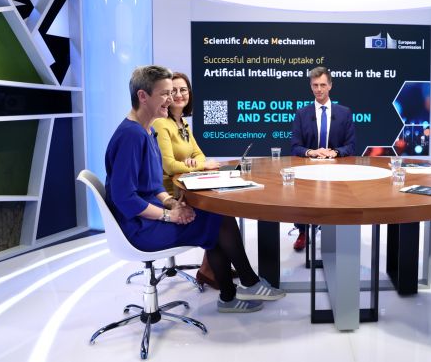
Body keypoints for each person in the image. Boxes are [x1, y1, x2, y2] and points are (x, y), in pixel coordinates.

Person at [105, 65, 284, 313]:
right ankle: (245, 284)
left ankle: (232, 294)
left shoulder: (146, 130)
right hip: (138, 228)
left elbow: (153, 184)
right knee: (219, 219)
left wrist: (171, 203)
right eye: (164, 94)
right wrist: (170, 215)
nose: (171, 99)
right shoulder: (131, 136)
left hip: (151, 214)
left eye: (173, 93)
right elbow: (125, 199)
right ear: (143, 96)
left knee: (216, 217)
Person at [152, 72, 229, 290]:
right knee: (218, 213)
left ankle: (210, 268)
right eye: (173, 90)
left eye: (183, 90)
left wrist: (195, 163)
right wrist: (196, 165)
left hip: (185, 187)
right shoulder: (161, 123)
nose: (178, 94)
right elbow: (169, 166)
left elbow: (200, 155)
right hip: (169, 196)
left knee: (221, 207)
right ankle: (212, 271)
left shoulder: (182, 122)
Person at [290, 66, 356, 251]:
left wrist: (335, 152)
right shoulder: (302, 114)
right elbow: (295, 146)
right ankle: (303, 231)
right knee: (300, 195)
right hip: (308, 168)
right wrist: (311, 152)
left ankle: (332, 231)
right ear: (311, 87)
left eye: (322, 85)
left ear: (330, 86)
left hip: (336, 168)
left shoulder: (344, 113)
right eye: (315, 85)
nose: (318, 89)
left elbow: (350, 146)